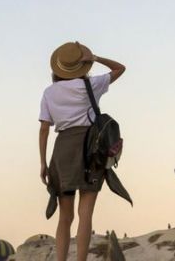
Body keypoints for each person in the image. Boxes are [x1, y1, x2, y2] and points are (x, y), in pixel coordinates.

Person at [39, 41, 126, 261]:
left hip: (62, 150)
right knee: (85, 214)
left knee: (64, 216)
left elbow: (44, 129)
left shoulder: (49, 93)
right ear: (81, 66)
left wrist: (43, 163)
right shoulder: (91, 85)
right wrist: (95, 58)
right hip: (90, 148)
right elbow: (120, 68)